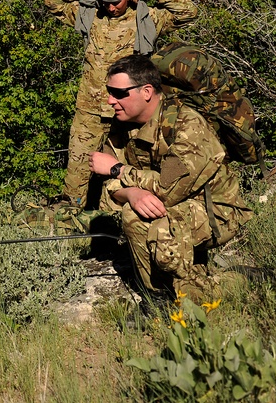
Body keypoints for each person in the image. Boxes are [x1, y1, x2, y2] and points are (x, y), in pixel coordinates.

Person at [89, 55, 252, 302]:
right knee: (137, 210)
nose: (111, 100)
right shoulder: (122, 126)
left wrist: (119, 171)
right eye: (109, 92)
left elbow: (166, 188)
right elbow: (110, 189)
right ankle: (170, 293)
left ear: (146, 92)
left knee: (137, 217)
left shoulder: (187, 126)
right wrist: (132, 193)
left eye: (119, 93)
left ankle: (165, 297)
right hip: (174, 206)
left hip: (216, 212)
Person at [45, 0, 199, 210]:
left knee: (125, 165)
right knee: (78, 166)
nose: (110, 7)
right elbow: (51, 1)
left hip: (129, 111)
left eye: (115, 2)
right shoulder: (91, 15)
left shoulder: (146, 18)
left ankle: (115, 217)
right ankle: (71, 215)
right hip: (90, 109)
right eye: (106, 1)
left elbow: (189, 11)